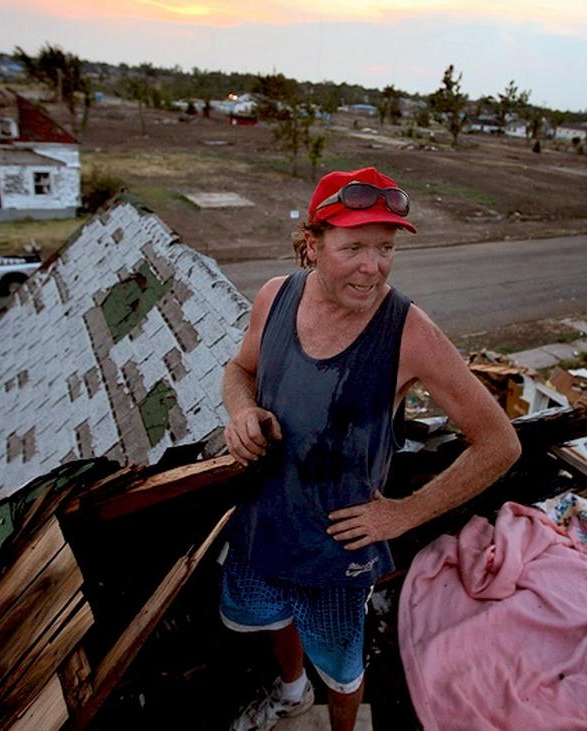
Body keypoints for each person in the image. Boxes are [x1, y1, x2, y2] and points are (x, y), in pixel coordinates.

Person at [220, 167, 521, 731]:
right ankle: (290, 692)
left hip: (339, 550)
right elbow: (240, 370)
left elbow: (500, 443)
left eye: (385, 248)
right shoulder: (275, 297)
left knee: (340, 668)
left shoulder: (409, 332)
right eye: (353, 247)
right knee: (273, 618)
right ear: (313, 244)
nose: (373, 267)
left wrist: (404, 514)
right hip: (263, 522)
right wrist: (241, 410)